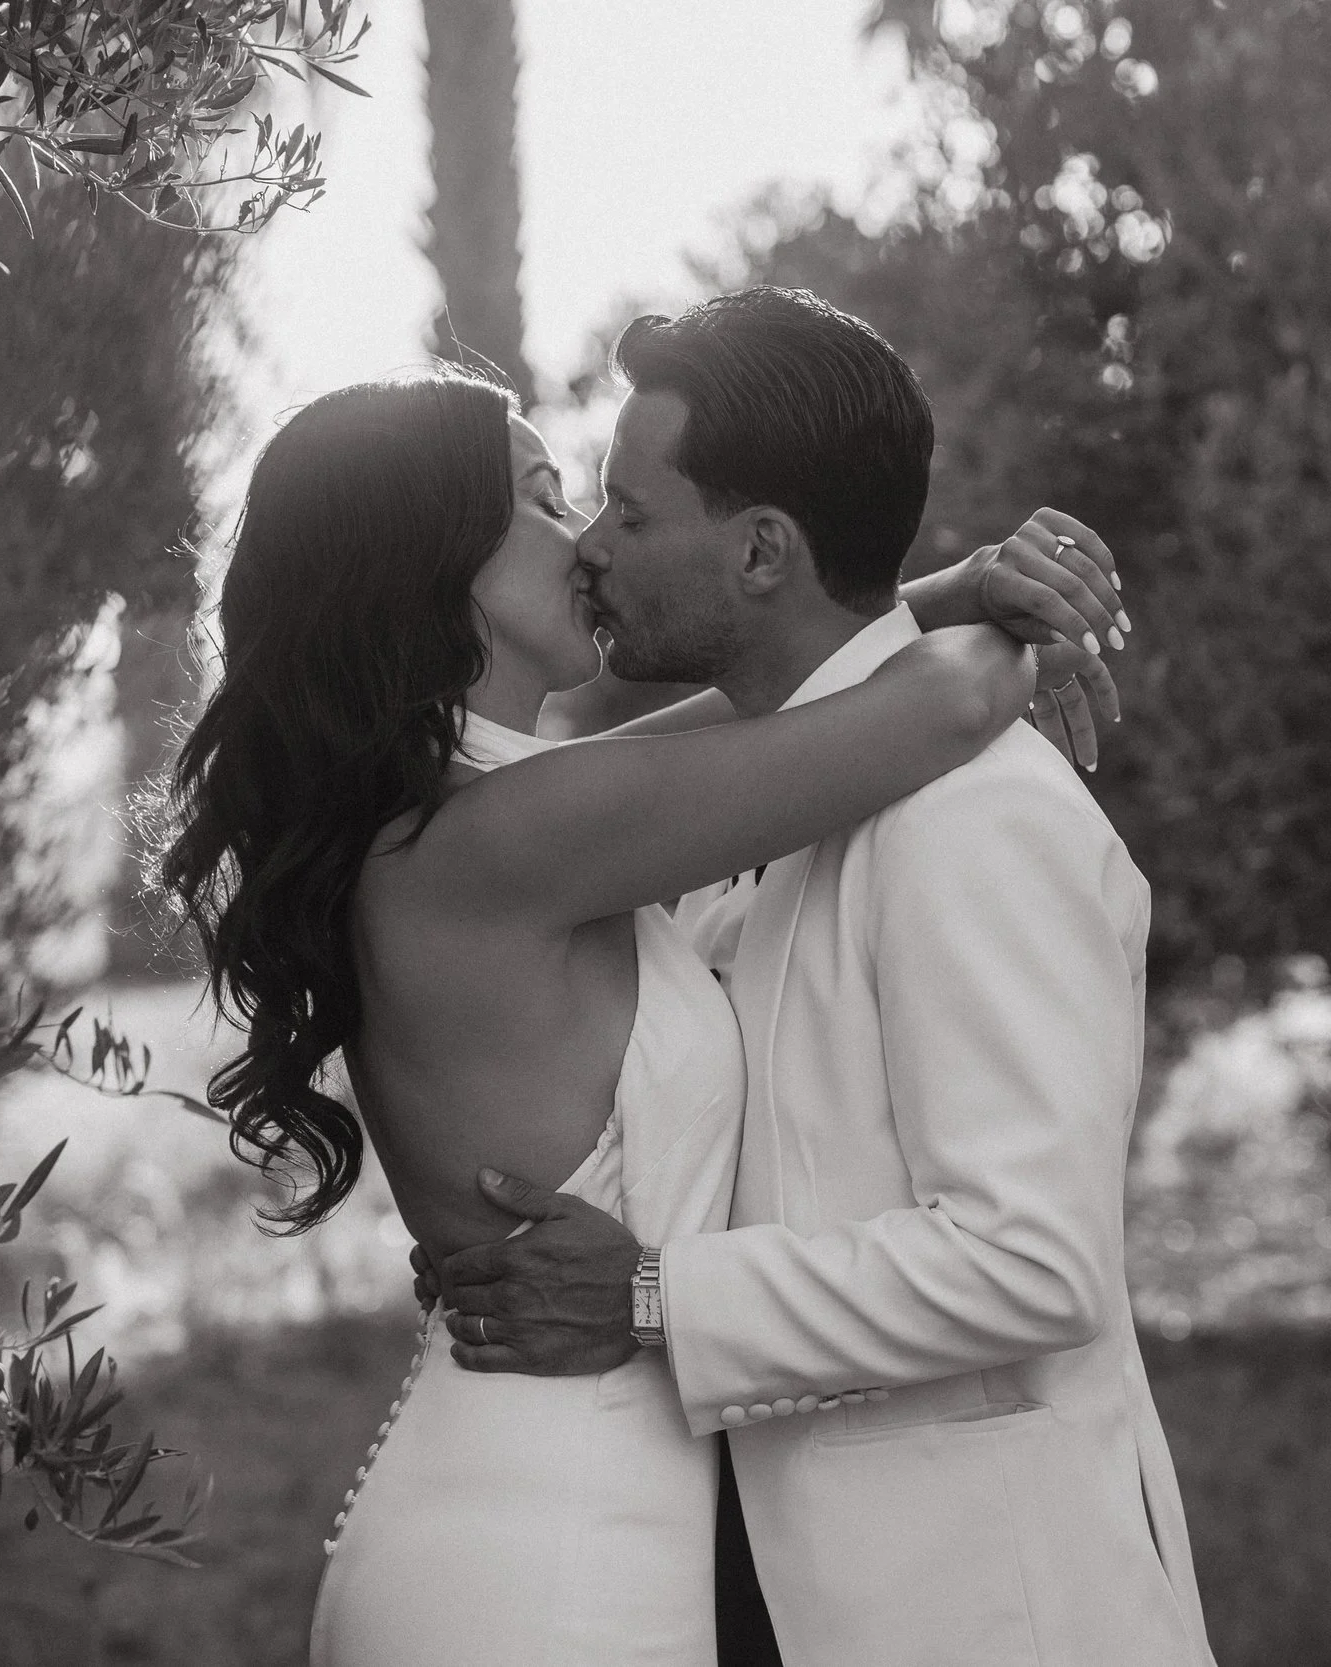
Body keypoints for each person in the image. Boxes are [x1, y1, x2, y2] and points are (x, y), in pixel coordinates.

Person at [159, 358, 1125, 1666]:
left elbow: (752, 706)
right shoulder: (506, 833)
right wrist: (1024, 621)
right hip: (549, 1562)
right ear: (441, 558)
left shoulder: (491, 809)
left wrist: (947, 594)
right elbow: (929, 703)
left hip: (562, 1509)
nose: (593, 543)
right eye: (550, 500)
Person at [421, 288, 1219, 1667]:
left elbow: (1034, 1260)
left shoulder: (972, 816)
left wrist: (654, 1295)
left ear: (761, 552)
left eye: (628, 509)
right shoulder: (758, 806)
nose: (594, 550)